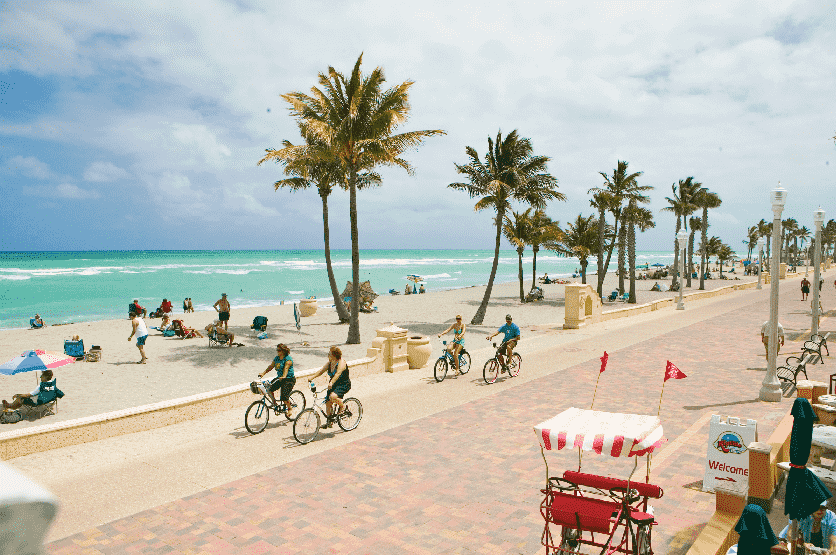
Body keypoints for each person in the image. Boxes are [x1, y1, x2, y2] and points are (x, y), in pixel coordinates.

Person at [308, 346, 351, 428]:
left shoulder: (341, 362)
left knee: (332, 396)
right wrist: (312, 377)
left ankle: (343, 406)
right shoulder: (330, 363)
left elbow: (338, 373)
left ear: (334, 355)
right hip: (334, 384)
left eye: (329, 354)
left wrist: (331, 382)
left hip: (343, 384)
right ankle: (329, 421)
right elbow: (321, 371)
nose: (328, 356)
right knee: (328, 402)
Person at [258, 344, 295, 418]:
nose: (277, 351)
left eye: (279, 350)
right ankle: (275, 404)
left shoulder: (288, 359)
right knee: (269, 389)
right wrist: (263, 373)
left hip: (289, 379)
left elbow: (286, 368)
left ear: (283, 351)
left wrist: (284, 376)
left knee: (284, 397)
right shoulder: (277, 358)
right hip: (280, 378)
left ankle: (290, 408)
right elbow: (271, 366)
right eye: (277, 350)